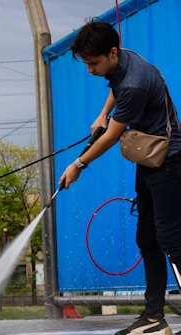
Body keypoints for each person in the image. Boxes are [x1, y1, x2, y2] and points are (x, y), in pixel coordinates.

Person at [59, 21, 181, 335]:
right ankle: (154, 318)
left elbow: (112, 137)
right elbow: (116, 89)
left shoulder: (136, 84)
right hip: (149, 159)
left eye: (93, 64)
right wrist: (103, 113)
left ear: (112, 52)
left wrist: (78, 165)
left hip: (169, 162)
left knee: (172, 241)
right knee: (147, 239)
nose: (89, 70)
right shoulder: (123, 60)